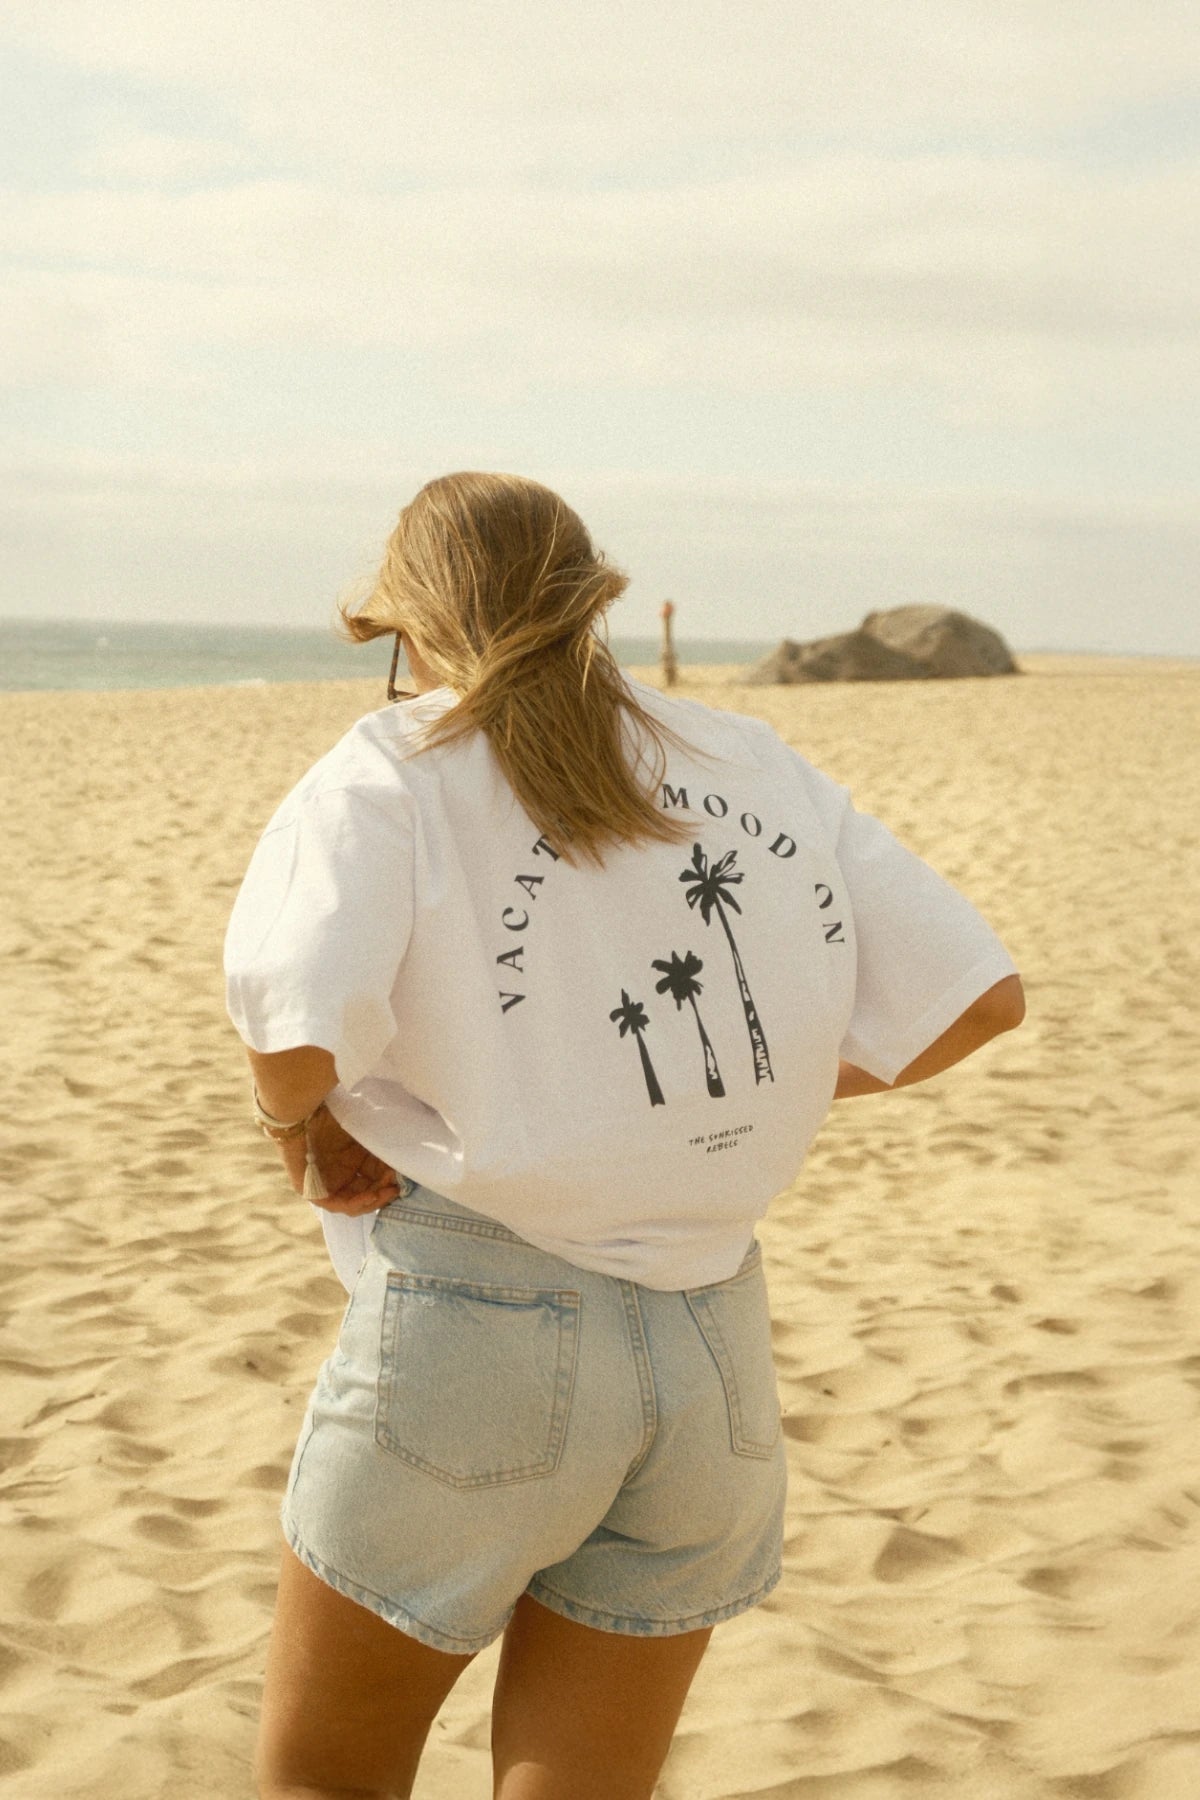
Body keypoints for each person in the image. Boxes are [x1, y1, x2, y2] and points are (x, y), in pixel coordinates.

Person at [224, 471, 1025, 1800]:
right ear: (591, 602)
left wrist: (294, 1132)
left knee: (328, 1777)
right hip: (714, 1351)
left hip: (476, 1334)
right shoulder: (743, 759)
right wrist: (718, 1093)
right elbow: (978, 998)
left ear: (411, 626)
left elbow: (294, 1025)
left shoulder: (395, 770)